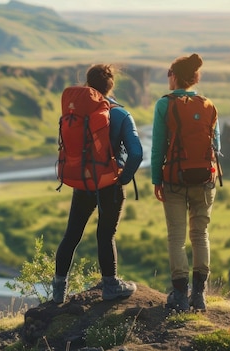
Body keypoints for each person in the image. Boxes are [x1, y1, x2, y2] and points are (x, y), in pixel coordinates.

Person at [53, 64, 144, 304]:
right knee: (105, 235)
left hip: (83, 180)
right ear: (111, 85)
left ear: (87, 84)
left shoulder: (80, 111)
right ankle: (111, 285)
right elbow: (136, 153)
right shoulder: (121, 114)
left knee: (72, 234)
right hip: (109, 184)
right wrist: (122, 178)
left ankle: (58, 291)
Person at [151, 53, 221, 311]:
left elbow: (158, 147)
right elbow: (217, 145)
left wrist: (156, 179)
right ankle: (200, 295)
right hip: (204, 179)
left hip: (174, 179)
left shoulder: (164, 105)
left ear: (174, 76)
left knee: (176, 237)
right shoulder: (209, 105)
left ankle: (180, 294)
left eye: (168, 74)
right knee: (200, 234)